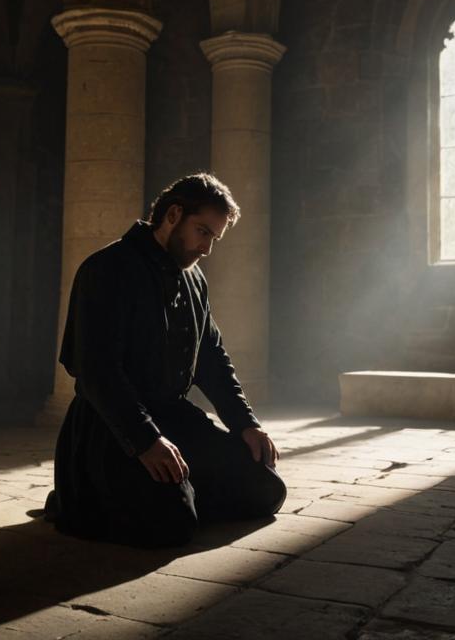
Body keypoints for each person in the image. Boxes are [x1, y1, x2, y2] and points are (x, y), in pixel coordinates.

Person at [44, 173, 286, 547]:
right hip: (112, 426)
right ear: (173, 215)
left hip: (174, 418)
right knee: (172, 524)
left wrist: (245, 424)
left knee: (266, 489)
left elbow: (212, 358)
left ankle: (181, 490)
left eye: (214, 238)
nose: (206, 248)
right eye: (203, 232)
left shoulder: (195, 279)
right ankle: (78, 495)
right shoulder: (106, 269)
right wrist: (144, 440)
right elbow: (97, 373)